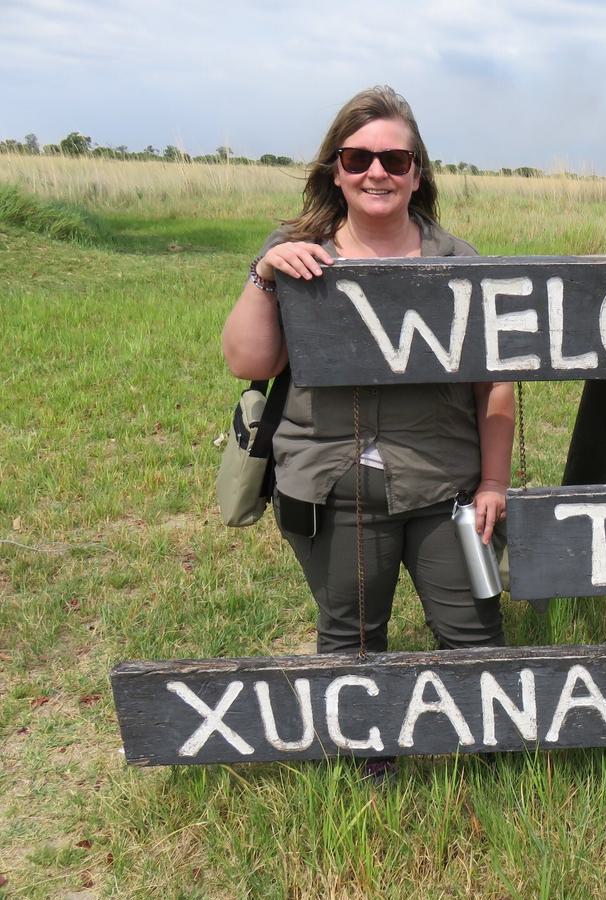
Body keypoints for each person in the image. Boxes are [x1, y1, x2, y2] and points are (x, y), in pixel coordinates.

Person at [221, 85, 512, 661]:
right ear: (336, 170)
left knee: (475, 640)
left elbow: (494, 384)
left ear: (417, 174)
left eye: (394, 160)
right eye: (358, 158)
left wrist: (494, 483)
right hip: (330, 486)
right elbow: (249, 363)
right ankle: (371, 753)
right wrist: (264, 273)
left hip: (443, 485)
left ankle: (487, 752)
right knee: (351, 642)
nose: (376, 173)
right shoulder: (298, 255)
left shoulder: (458, 263)